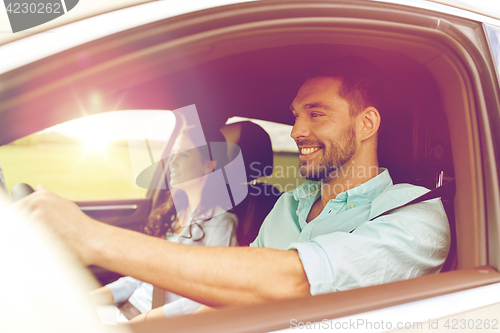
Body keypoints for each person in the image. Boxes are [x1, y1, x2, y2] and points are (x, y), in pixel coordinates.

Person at [15, 56, 450, 309]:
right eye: (295, 114)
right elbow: (233, 283)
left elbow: (295, 282)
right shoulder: (291, 204)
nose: (297, 131)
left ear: (367, 122)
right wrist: (146, 322)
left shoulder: (415, 216)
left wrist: (91, 237)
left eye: (316, 114)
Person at [90, 126, 238, 322]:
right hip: (125, 311)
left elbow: (212, 296)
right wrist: (93, 298)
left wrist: (148, 320)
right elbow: (143, 274)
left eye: (183, 156)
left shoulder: (221, 224)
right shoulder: (172, 214)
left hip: (154, 323)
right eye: (173, 154)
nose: (172, 163)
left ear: (208, 165)